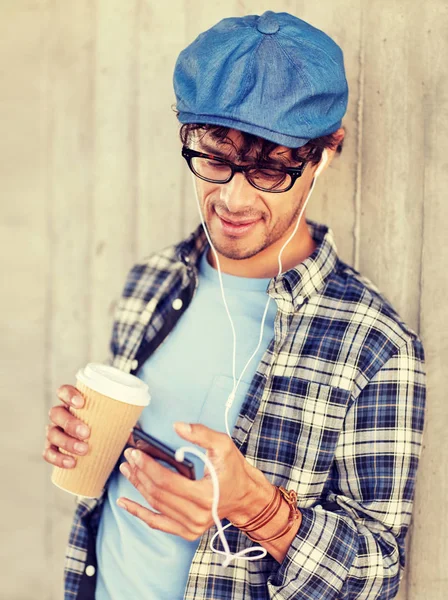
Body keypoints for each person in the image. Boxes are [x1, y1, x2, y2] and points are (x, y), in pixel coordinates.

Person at [43, 10, 426, 600]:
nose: (233, 197)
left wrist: (253, 503)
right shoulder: (149, 282)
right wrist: (91, 441)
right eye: (215, 157)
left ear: (326, 153)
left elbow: (376, 575)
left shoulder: (373, 344)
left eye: (271, 169)